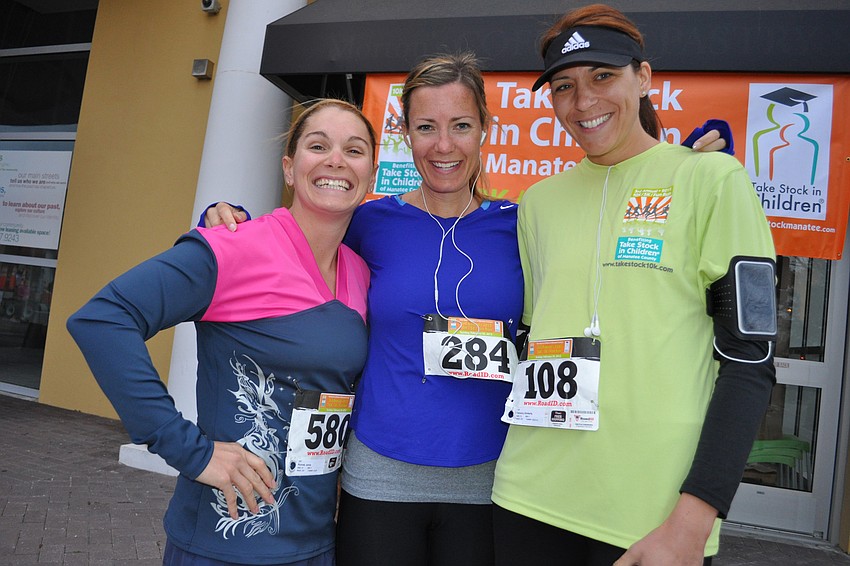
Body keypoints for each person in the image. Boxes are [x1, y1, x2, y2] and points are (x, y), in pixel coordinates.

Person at [204, 52, 732, 566]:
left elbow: (605, 243)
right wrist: (234, 225)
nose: (443, 145)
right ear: (405, 134)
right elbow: (299, 246)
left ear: (485, 129)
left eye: (460, 125)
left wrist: (675, 172)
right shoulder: (368, 223)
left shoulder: (521, 223)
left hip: (490, 481)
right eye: (426, 127)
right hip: (379, 475)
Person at [490, 5, 776, 566]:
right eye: (565, 87)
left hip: (653, 515)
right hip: (526, 496)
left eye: (603, 76)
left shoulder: (712, 179)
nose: (583, 102)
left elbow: (750, 359)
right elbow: (531, 337)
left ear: (643, 78)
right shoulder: (538, 203)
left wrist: (696, 518)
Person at [67, 99, 377, 566]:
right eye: (319, 145)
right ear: (290, 169)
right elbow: (102, 319)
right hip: (225, 542)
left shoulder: (360, 270)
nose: (336, 160)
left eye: (354, 150)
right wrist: (187, 449)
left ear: (369, 176)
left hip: (316, 542)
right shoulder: (235, 246)